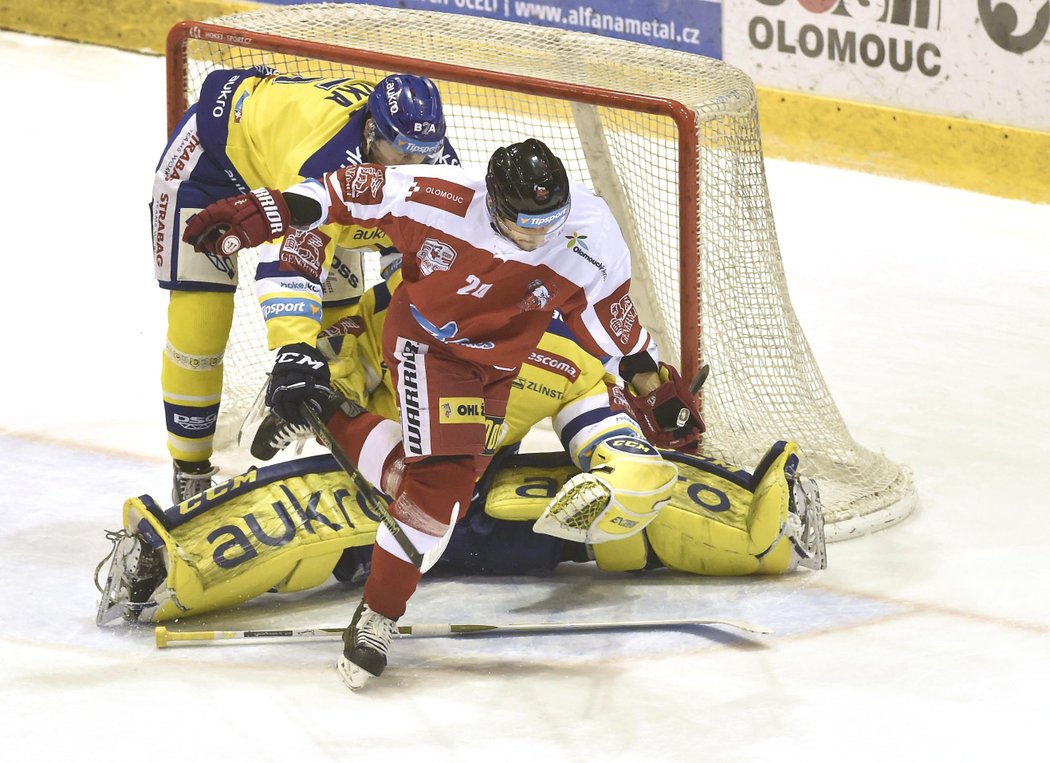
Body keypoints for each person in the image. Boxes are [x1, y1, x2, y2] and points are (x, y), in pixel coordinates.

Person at [181, 138, 707, 689]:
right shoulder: (440, 197)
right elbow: (335, 193)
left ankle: (325, 411)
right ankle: (379, 615)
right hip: (427, 347)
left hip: (502, 366)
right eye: (525, 223)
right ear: (495, 204)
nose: (539, 236)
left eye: (550, 220)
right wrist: (264, 212)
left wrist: (657, 393)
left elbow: (613, 319)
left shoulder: (590, 229)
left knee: (431, 495)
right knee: (439, 494)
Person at [95, 285, 826, 626]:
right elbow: (329, 406)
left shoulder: (564, 353)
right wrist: (314, 382)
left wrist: (624, 473)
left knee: (628, 517)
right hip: (391, 492)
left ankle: (764, 522)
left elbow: (605, 434)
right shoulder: (390, 313)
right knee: (305, 508)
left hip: (489, 498)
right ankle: (171, 560)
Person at [152, 66, 459, 503]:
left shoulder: (437, 167)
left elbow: (426, 256)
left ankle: (337, 450)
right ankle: (191, 471)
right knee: (201, 325)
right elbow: (291, 263)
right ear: (371, 132)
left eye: (422, 153)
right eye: (400, 152)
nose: (411, 167)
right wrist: (295, 349)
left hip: (304, 185)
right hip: (212, 168)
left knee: (340, 337)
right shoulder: (325, 163)